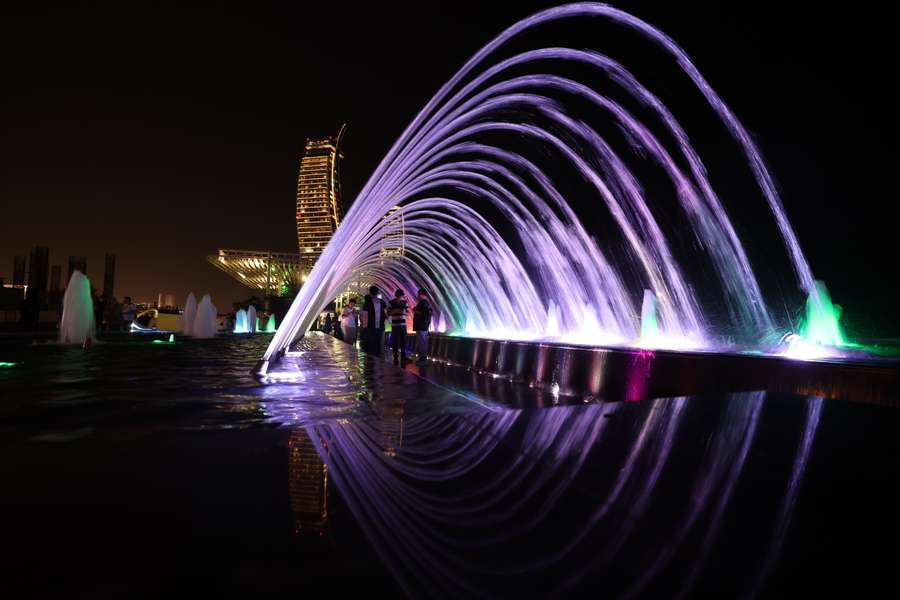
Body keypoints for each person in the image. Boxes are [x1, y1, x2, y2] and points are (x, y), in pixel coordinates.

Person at [363, 286, 387, 356]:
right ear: (377, 293)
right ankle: (378, 360)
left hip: (370, 327)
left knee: (371, 344)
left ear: (370, 293)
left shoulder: (367, 303)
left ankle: (372, 361)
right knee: (379, 344)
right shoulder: (382, 302)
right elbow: (386, 314)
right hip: (380, 327)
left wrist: (364, 326)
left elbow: (365, 315)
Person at [387, 288, 409, 364]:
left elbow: (407, 313)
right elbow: (388, 314)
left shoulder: (404, 302)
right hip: (395, 324)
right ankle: (395, 357)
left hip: (403, 324)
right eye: (400, 296)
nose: (400, 297)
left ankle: (403, 357)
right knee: (395, 342)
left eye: (401, 296)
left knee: (403, 341)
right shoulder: (391, 302)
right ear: (397, 295)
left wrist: (404, 312)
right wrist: (395, 311)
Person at [412, 288, 432, 363]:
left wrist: (415, 310)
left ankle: (422, 360)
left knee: (422, 343)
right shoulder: (426, 303)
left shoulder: (423, 303)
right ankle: (423, 359)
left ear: (421, 294)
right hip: (424, 326)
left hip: (421, 326)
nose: (417, 296)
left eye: (418, 294)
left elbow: (424, 314)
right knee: (423, 343)